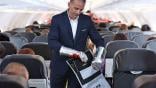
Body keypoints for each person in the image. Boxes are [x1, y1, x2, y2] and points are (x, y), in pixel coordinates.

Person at [48, 0, 105, 88]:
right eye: (76, 8)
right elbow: (52, 42)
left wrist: (98, 57)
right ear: (69, 4)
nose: (78, 12)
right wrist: (76, 53)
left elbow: (99, 40)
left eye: (81, 9)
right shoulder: (57, 19)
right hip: (59, 64)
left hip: (78, 66)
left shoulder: (86, 20)